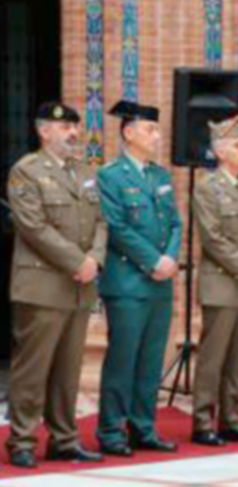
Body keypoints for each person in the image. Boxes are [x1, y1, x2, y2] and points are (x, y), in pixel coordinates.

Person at [5, 102, 107, 468]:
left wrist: (95, 259)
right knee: (33, 369)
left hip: (79, 288)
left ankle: (64, 439)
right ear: (43, 131)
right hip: (42, 287)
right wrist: (77, 261)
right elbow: (33, 226)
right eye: (64, 127)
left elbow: (101, 221)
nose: (73, 133)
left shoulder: (85, 172)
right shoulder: (26, 171)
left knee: (68, 370)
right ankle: (22, 440)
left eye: (75, 127)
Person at [95, 100, 182, 456]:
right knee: (123, 359)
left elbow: (175, 223)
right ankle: (111, 430)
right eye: (150, 129)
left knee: (151, 360)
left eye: (158, 129)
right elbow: (115, 227)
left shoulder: (159, 176)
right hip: (128, 282)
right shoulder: (110, 176)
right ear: (128, 133)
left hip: (160, 283)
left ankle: (143, 427)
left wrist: (170, 258)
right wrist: (154, 260)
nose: (158, 136)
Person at [191, 115, 238, 447]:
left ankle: (231, 420)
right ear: (220, 152)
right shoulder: (207, 187)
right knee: (213, 358)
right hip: (222, 284)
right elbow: (213, 238)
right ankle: (202, 422)